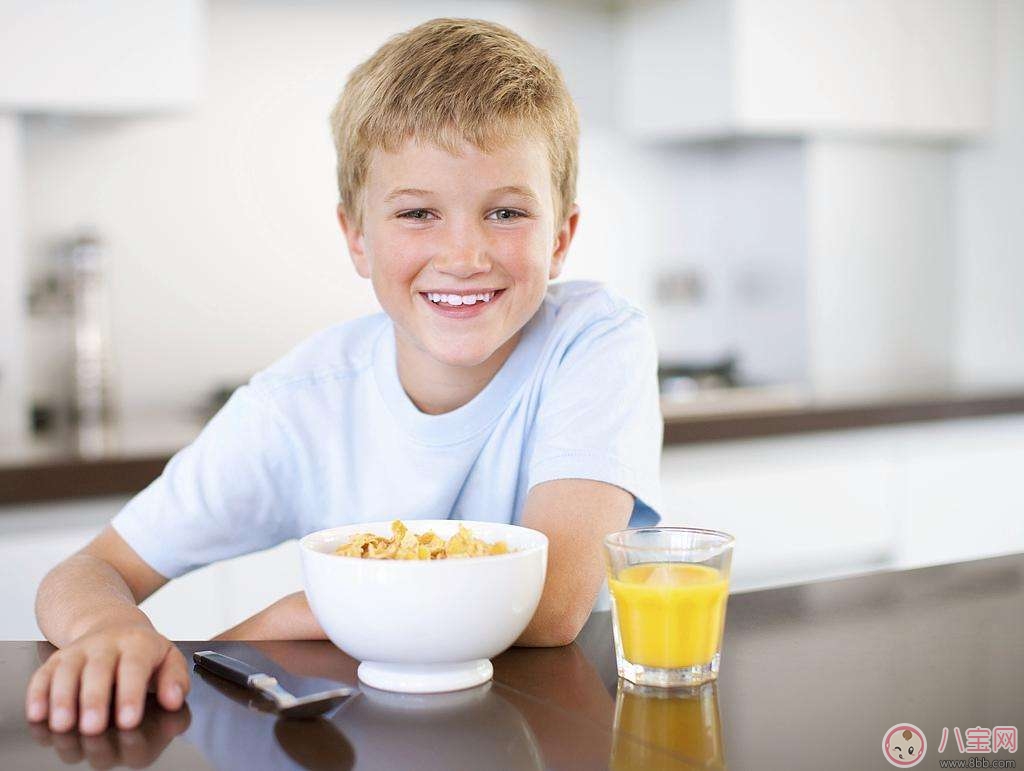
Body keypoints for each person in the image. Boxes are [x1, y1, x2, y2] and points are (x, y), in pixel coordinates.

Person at [26, 17, 663, 737]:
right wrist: (110, 629)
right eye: (417, 212)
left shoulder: (594, 338)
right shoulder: (301, 403)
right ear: (356, 237)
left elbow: (547, 607)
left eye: (507, 212)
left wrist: (298, 616)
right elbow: (84, 572)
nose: (463, 253)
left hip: (536, 734)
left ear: (562, 238)